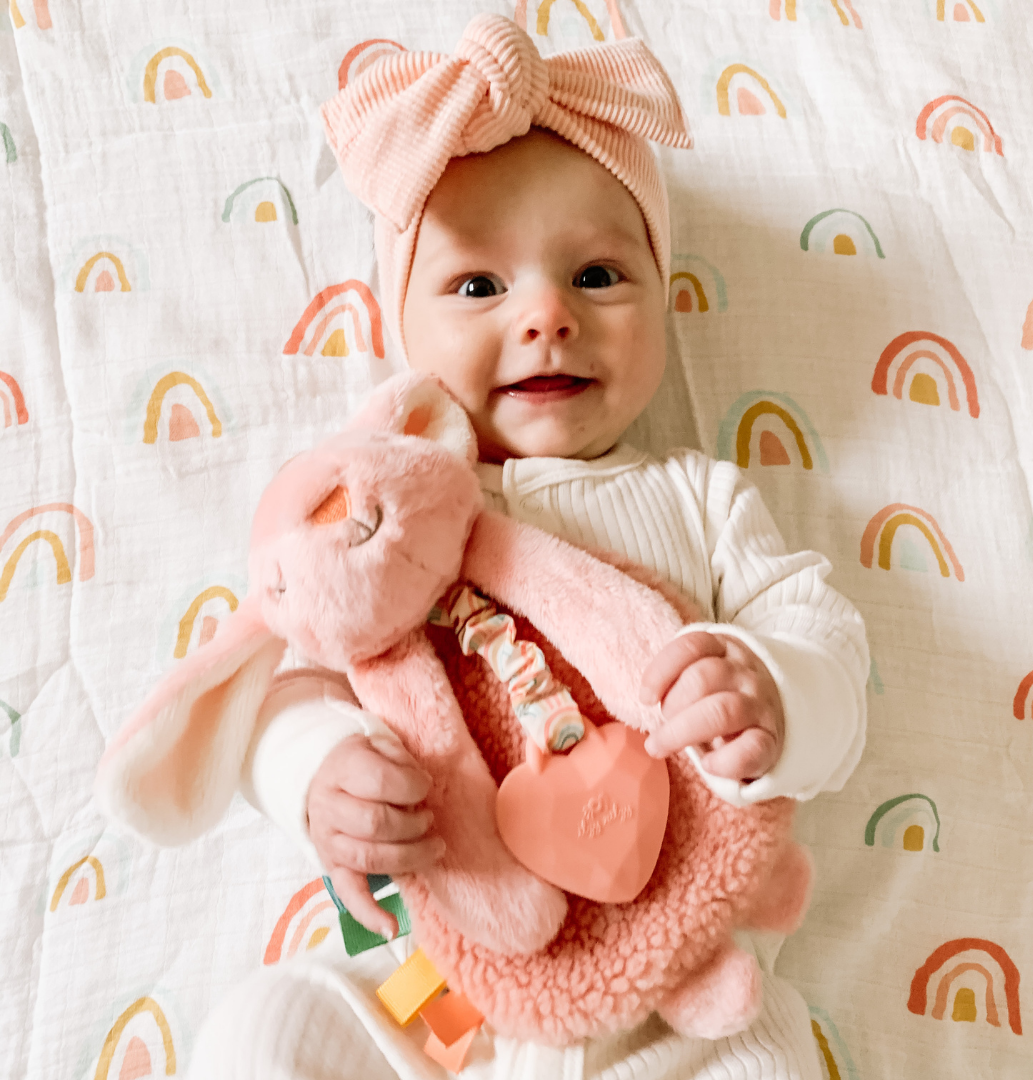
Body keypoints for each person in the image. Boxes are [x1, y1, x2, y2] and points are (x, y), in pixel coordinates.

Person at [189, 14, 868, 1079]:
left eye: (598, 276)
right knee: (264, 1033)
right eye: (478, 286)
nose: (547, 315)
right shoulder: (381, 518)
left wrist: (780, 692)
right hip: (437, 999)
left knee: (770, 1059)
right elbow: (287, 681)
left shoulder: (695, 496)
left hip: (676, 997)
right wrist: (314, 771)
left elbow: (821, 633)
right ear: (400, 328)